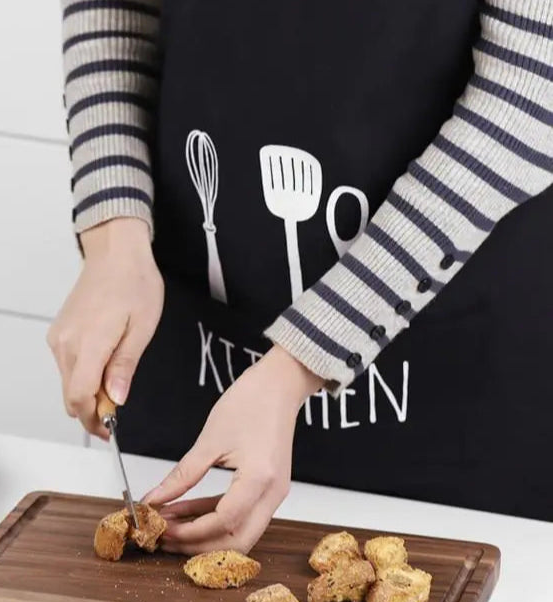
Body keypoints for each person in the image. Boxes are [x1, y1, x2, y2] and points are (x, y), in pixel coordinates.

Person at [50, 0, 553, 554]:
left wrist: (298, 366)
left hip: (447, 400)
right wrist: (113, 237)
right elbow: (113, 10)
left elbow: (525, 94)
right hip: (192, 363)